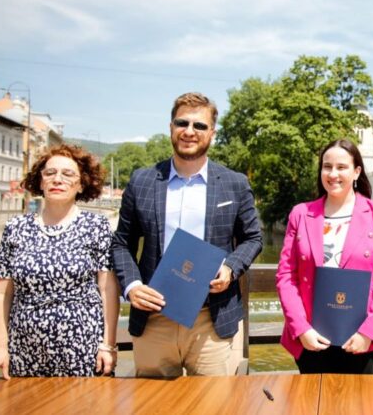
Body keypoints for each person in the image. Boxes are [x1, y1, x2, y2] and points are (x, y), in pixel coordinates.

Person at [111, 92, 262, 377]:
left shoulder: (234, 184)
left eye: (200, 126)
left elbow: (253, 238)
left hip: (211, 319)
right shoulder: (142, 181)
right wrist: (131, 286)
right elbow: (121, 243)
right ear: (171, 127)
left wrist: (230, 268)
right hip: (154, 316)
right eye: (182, 123)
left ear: (212, 133)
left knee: (214, 406)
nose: (189, 132)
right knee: (153, 407)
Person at [0, 144, 119, 387]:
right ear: (40, 182)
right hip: (24, 347)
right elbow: (1, 293)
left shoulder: (96, 226)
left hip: (82, 346)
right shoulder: (15, 228)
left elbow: (107, 289)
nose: (57, 179)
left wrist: (108, 345)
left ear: (81, 184)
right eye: (49, 173)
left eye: (68, 174)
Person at [276, 139, 373, 374]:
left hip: (362, 340)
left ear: (356, 172)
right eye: (327, 166)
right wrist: (301, 329)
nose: (333, 174)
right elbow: (286, 276)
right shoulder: (301, 214)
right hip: (312, 338)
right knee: (312, 407)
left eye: (341, 167)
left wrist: (368, 332)